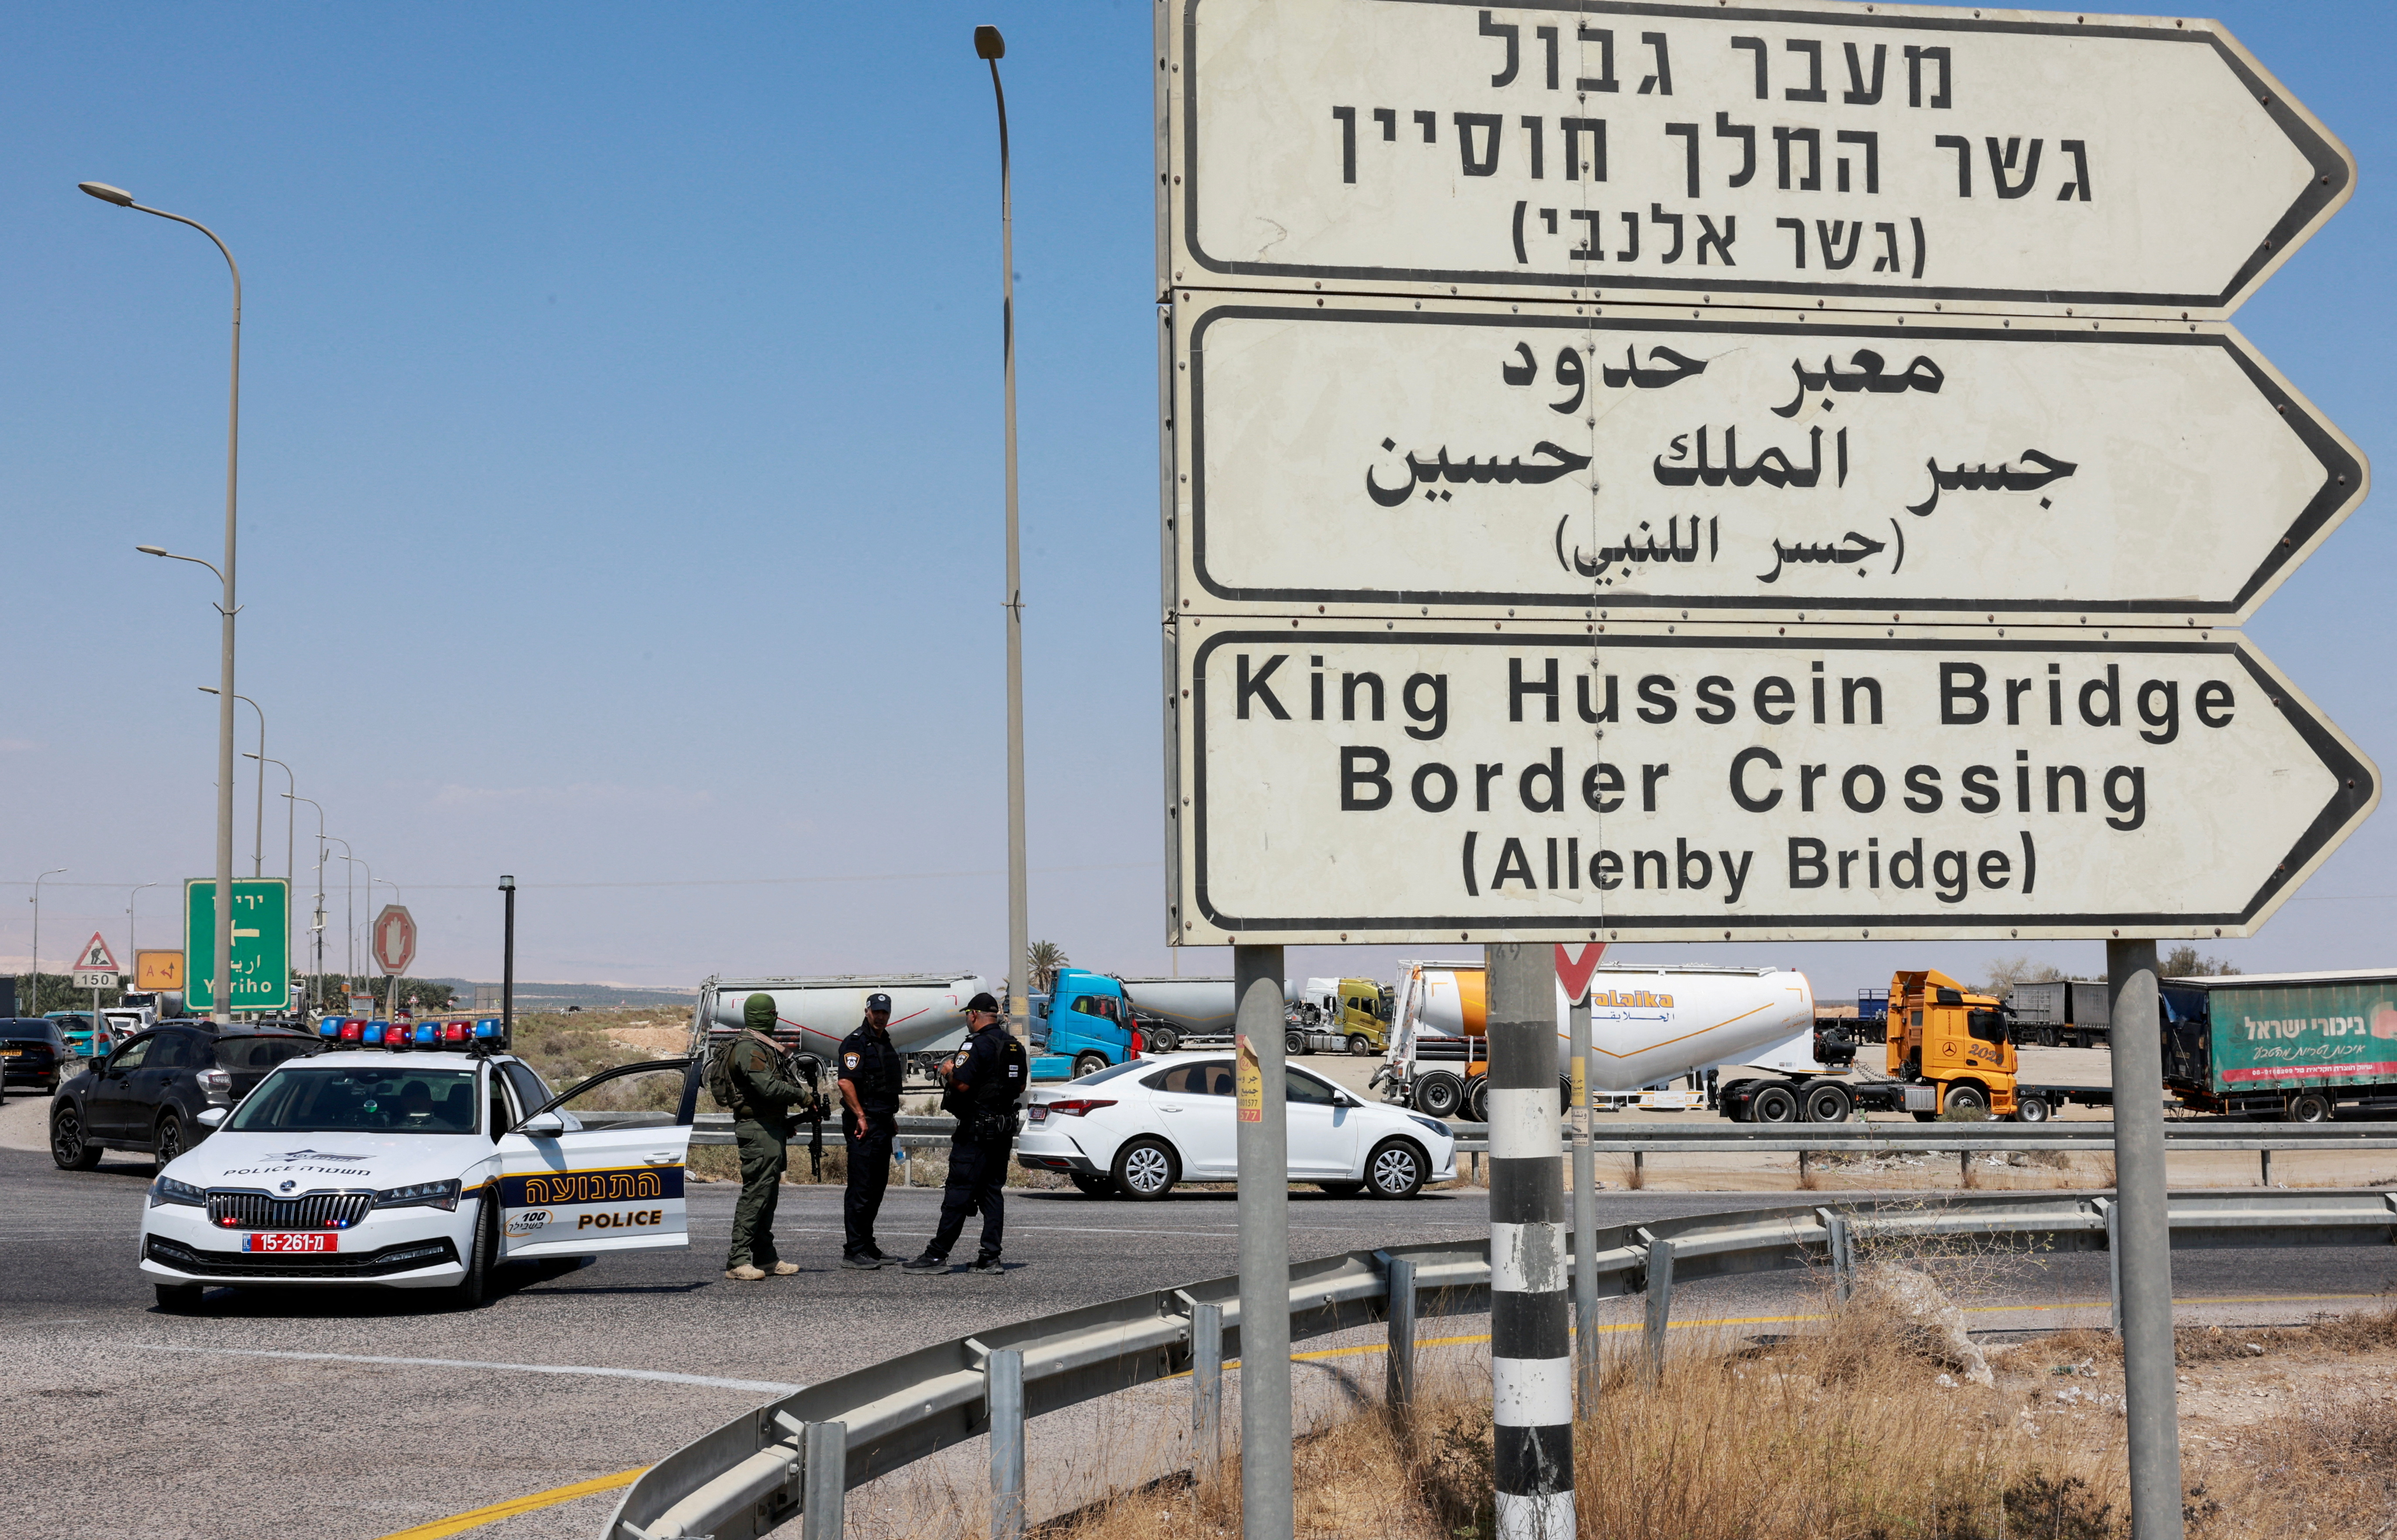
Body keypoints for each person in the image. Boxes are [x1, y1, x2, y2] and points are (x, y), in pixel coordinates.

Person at [903, 992, 1025, 1275]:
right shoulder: (1014, 1046)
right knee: (992, 1193)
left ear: (974, 1015)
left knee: (959, 1192)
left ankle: (937, 1255)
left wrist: (948, 1071)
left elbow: (962, 1085)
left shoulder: (975, 1044)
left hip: (976, 1132)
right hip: (1002, 1131)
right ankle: (990, 1258)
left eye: (968, 1016)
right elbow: (1019, 1087)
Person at [723, 992, 820, 1282]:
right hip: (757, 1130)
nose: (776, 1019)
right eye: (772, 1014)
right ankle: (738, 1259)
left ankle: (765, 1257)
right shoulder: (748, 1048)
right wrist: (802, 1096)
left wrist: (784, 1121)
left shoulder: (762, 1046)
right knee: (756, 1194)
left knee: (767, 1195)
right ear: (762, 1017)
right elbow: (766, 1087)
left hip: (770, 1127)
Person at [836, 991, 905, 1268]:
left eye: (885, 1012)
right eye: (876, 1012)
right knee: (862, 1189)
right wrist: (861, 1116)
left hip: (882, 1123)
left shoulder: (884, 1041)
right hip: (863, 1126)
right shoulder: (856, 1042)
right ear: (867, 1012)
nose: (880, 1017)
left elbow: (884, 1085)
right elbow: (845, 1082)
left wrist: (890, 1118)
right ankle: (854, 1250)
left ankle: (867, 1244)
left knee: (877, 1188)